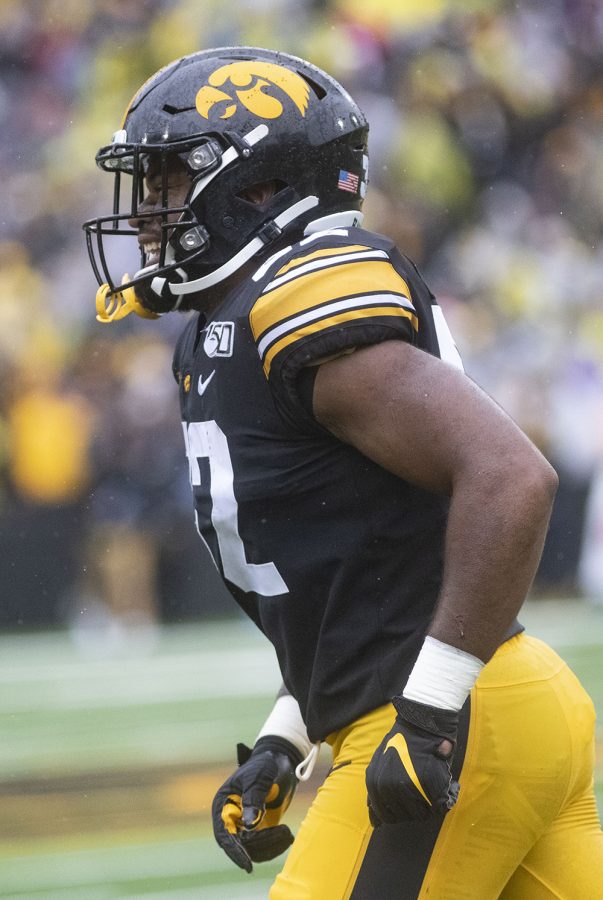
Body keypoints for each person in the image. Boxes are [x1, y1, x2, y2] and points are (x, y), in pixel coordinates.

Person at [84, 47, 603, 898]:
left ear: (258, 189)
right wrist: (288, 736)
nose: (147, 213)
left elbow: (511, 478)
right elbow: (357, 566)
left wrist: (433, 714)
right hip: (494, 705)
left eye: (169, 182)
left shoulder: (303, 294)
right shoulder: (229, 326)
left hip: (458, 717)